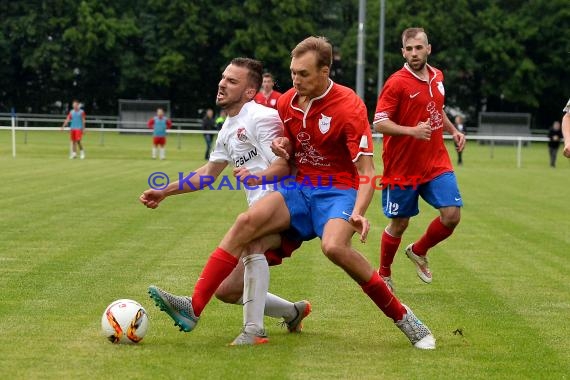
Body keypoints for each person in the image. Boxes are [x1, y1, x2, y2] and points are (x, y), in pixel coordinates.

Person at [142, 36, 436, 350]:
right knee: (246, 224)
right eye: (293, 73)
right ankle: (194, 308)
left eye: (304, 74)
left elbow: (366, 173)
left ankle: (405, 318)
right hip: (299, 190)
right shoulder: (286, 103)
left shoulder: (349, 106)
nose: (296, 80)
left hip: (336, 191)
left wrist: (359, 211)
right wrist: (280, 151)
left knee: (334, 247)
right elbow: (287, 154)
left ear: (325, 71)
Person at [140, 57, 311, 345]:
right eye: (223, 78)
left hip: (287, 204)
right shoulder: (227, 129)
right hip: (263, 209)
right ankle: (293, 312)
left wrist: (258, 181)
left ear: (249, 91)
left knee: (250, 239)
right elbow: (208, 174)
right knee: (227, 290)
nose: (222, 84)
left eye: (232, 81)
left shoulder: (261, 117)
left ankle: (236, 324)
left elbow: (285, 166)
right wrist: (165, 191)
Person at [373, 27, 466, 291]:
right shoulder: (396, 83)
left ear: (428, 49)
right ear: (403, 52)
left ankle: (419, 250)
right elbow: (379, 123)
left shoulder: (437, 76)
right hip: (402, 167)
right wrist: (411, 131)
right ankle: (384, 274)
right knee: (400, 223)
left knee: (451, 215)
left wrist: (453, 130)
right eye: (409, 49)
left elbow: (437, 109)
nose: (414, 53)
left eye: (418, 47)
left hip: (436, 163)